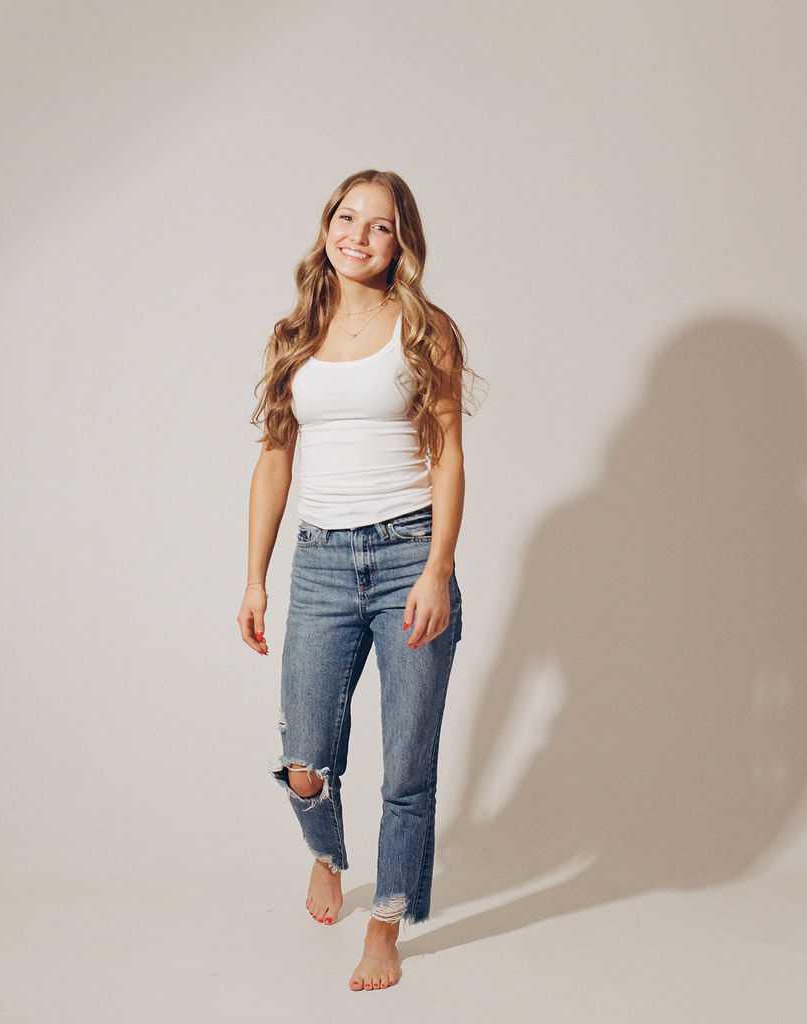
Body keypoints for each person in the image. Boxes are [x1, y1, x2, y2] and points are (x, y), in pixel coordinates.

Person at [237, 170, 476, 991]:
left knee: (407, 765)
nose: (359, 236)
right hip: (322, 563)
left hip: (410, 554)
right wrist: (256, 580)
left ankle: (386, 928)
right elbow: (274, 462)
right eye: (347, 218)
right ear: (327, 227)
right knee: (306, 759)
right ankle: (329, 855)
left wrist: (439, 568)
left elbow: (447, 456)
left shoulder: (425, 330)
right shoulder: (293, 335)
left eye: (380, 226)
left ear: (400, 242)